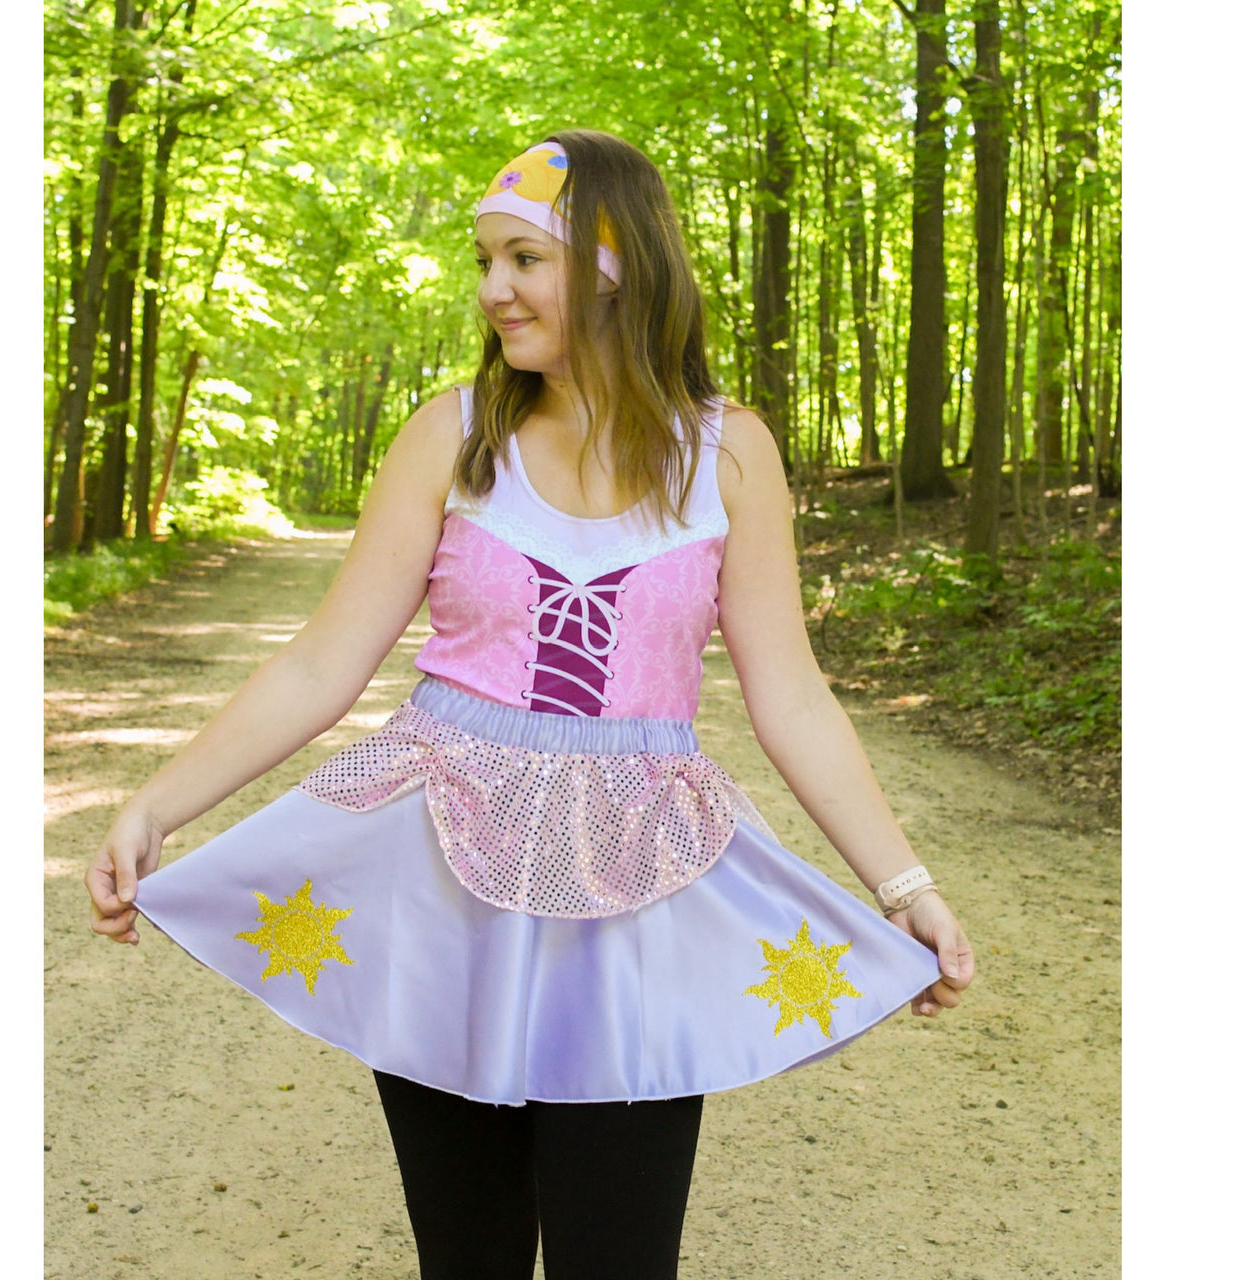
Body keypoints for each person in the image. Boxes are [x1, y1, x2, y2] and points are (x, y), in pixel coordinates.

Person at [86, 129, 974, 1280]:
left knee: (620, 1255)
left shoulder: (728, 454)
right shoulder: (451, 435)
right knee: (468, 1256)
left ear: (615, 265)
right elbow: (320, 664)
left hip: (637, 895)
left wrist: (905, 887)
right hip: (439, 888)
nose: (492, 290)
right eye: (484, 261)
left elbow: (792, 697)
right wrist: (155, 805)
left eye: (523, 258)